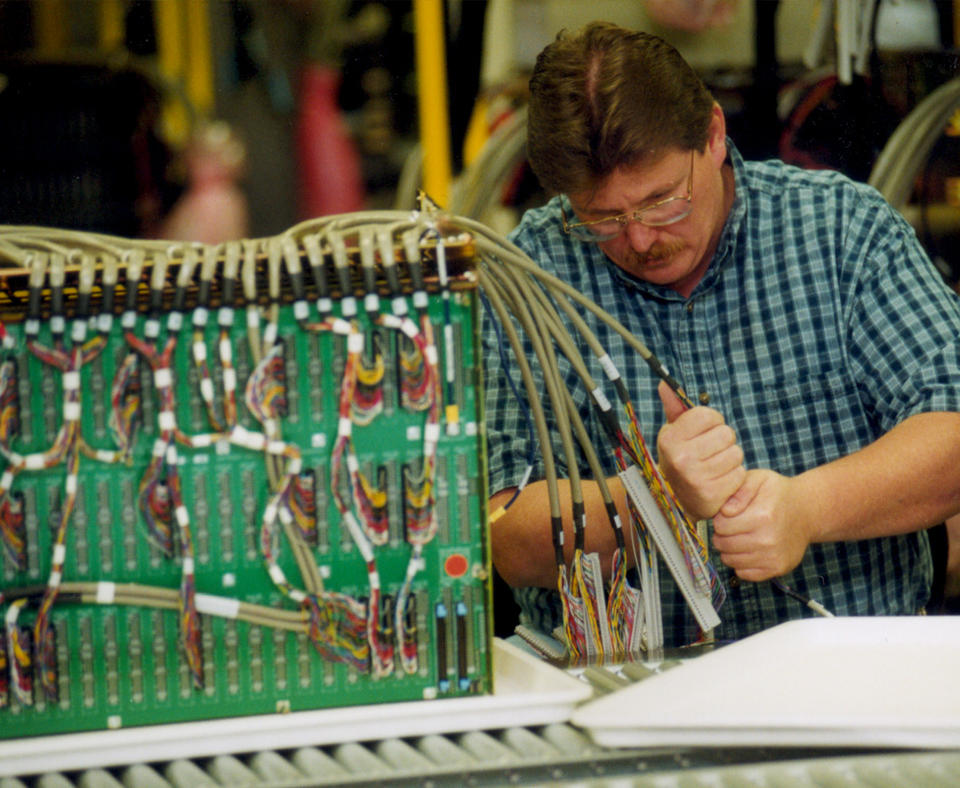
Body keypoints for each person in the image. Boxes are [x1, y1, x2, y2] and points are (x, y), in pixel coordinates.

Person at [483, 21, 960, 648]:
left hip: (852, 667)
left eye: (663, 202)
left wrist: (804, 510)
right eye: (602, 219)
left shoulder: (841, 231)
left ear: (712, 136)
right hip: (621, 693)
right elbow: (506, 538)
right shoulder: (524, 284)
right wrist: (654, 502)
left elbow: (950, 431)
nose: (641, 238)